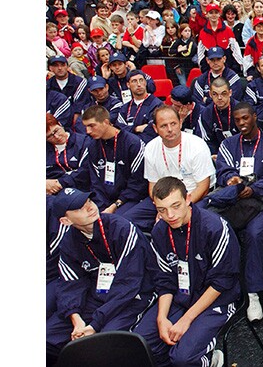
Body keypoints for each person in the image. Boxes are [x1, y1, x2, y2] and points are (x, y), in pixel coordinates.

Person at [133, 177, 240, 367]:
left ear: (188, 198)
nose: (170, 215)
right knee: (143, 343)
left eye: (176, 206)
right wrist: (161, 318)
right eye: (162, 210)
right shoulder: (159, 231)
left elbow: (221, 283)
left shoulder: (214, 228)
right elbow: (163, 279)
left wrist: (186, 319)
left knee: (184, 358)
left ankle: (208, 359)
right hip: (180, 296)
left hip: (216, 299)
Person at [46, 189, 156, 355]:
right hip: (97, 296)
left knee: (104, 344)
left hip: (133, 297)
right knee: (48, 337)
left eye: (88, 202)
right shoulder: (69, 240)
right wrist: (75, 319)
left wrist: (94, 324)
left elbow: (129, 283)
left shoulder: (123, 229)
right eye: (79, 208)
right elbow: (70, 283)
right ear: (65, 220)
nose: (90, 207)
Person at [213, 102, 263, 321]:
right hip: (234, 203)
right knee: (217, 229)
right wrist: (230, 179)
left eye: (245, 118)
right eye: (237, 120)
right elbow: (223, 170)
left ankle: (253, 294)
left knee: (255, 235)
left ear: (254, 117)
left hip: (261, 203)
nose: (242, 123)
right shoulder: (228, 143)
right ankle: (223, 286)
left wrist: (251, 189)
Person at [81, 104, 149, 218]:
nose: (88, 131)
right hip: (104, 200)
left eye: (92, 126)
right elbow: (95, 182)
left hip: (129, 199)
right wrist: (102, 205)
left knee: (115, 221)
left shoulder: (133, 144)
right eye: (86, 127)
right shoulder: (93, 146)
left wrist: (115, 205)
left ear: (106, 122)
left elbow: (138, 184)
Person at [46, 113, 92, 195]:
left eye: (56, 131)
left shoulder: (84, 142)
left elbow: (85, 172)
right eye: (50, 136)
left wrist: (60, 182)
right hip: (52, 193)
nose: (56, 136)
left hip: (82, 190)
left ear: (60, 124)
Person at [196, 77, 240, 156]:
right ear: (210, 94)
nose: (219, 98)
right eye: (215, 94)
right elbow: (206, 140)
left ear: (230, 93)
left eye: (223, 93)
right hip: (218, 154)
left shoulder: (241, 110)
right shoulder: (206, 113)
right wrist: (214, 154)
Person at [117, 69, 163, 144]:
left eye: (141, 80)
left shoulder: (157, 105)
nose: (139, 84)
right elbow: (119, 129)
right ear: (128, 85)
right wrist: (136, 128)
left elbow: (153, 131)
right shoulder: (125, 108)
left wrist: (130, 131)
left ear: (145, 82)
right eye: (134, 81)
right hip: (130, 148)